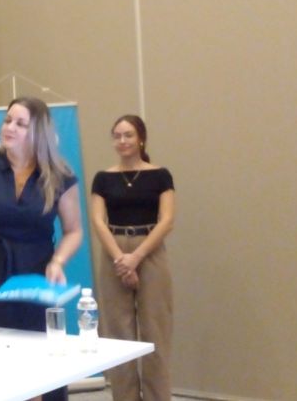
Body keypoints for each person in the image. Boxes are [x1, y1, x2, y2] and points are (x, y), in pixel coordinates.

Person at [0, 97, 83, 401]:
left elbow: (74, 231)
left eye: (20, 123)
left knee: (37, 366)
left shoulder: (59, 176)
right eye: (8, 120)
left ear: (38, 132)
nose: (9, 127)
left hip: (34, 278)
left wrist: (58, 261)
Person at [90, 114, 175, 401]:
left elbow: (167, 220)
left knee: (156, 332)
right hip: (114, 252)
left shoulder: (160, 175)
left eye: (128, 135)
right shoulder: (103, 178)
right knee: (117, 335)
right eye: (117, 136)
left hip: (149, 250)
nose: (122, 141)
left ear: (141, 139)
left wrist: (136, 257)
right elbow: (98, 221)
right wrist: (121, 260)